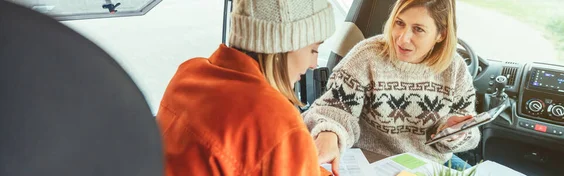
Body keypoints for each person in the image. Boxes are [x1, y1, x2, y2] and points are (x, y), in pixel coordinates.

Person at [156, 0, 336, 175]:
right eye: (313, 50)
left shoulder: (187, 75)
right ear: (283, 45)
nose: (313, 64)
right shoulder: (279, 125)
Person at [303, 0, 480, 171]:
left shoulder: (455, 68)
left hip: (430, 164)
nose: (403, 39)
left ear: (441, 34)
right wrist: (329, 132)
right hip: (374, 160)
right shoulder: (366, 56)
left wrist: (453, 132)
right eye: (399, 23)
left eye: (418, 29)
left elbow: (471, 134)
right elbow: (333, 109)